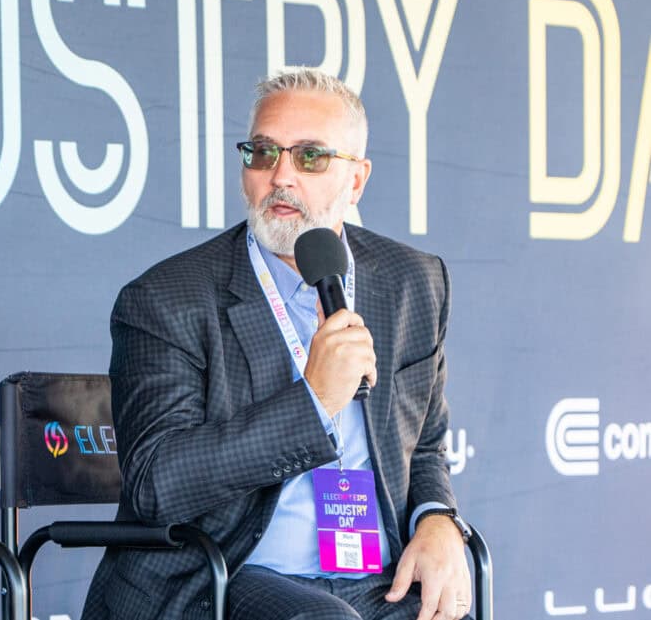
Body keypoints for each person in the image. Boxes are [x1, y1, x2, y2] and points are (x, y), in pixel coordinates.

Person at [82, 68, 472, 620]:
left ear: (356, 180)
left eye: (310, 156)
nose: (280, 175)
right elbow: (156, 483)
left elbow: (426, 444)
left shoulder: (412, 282)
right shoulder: (167, 299)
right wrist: (313, 401)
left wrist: (436, 520)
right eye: (262, 153)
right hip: (225, 577)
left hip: (374, 581)